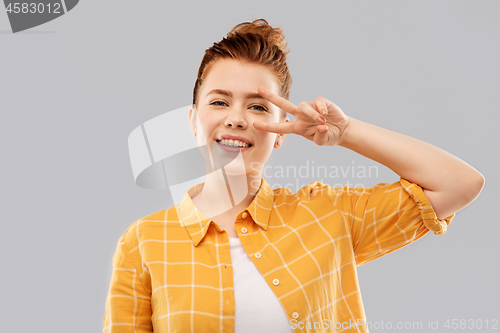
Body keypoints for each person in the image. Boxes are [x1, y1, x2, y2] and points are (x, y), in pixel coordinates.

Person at [103, 19, 484, 333]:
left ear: (281, 131)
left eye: (257, 106)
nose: (236, 118)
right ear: (191, 120)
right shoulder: (143, 243)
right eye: (219, 101)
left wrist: (346, 131)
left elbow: (459, 183)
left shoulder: (328, 215)